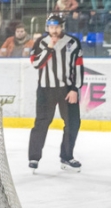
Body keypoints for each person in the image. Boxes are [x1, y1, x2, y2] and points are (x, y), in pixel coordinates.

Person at [28, 14, 83, 173]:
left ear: (62, 27)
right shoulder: (40, 42)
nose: (54, 30)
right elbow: (36, 64)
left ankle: (66, 156)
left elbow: (78, 67)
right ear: (47, 27)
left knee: (73, 123)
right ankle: (34, 157)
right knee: (42, 122)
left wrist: (75, 89)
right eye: (51, 27)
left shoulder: (73, 42)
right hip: (46, 90)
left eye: (57, 27)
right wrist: (49, 48)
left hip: (67, 89)